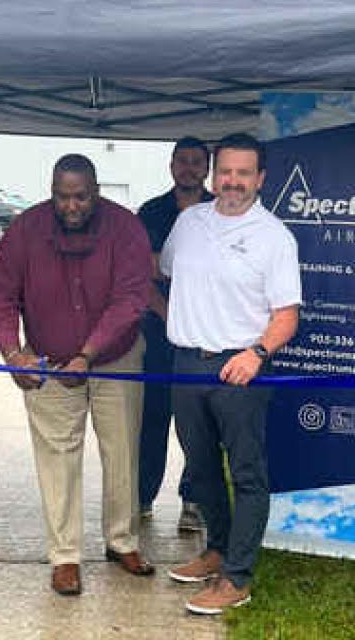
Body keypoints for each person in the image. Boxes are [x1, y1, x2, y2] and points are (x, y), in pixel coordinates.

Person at [0, 154, 154, 597]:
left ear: (96, 191)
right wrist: (13, 351)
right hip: (50, 362)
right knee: (57, 456)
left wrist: (88, 353)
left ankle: (122, 541)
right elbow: (1, 295)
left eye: (81, 197)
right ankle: (64, 556)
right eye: (62, 197)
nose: (71, 206)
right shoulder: (25, 229)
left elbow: (131, 298)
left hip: (115, 357)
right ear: (51, 191)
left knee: (122, 450)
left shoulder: (126, 227)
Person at [160, 133, 301, 615]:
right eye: (225, 172)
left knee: (246, 473)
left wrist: (256, 353)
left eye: (243, 173)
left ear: (260, 179)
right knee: (200, 469)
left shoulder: (274, 236)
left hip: (240, 369)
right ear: (213, 174)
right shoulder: (188, 222)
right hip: (186, 365)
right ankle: (217, 549)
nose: (233, 181)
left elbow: (287, 316)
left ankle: (237, 577)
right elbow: (166, 272)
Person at [136, 136, 212, 531]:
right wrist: (171, 315)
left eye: (197, 162)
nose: (189, 168)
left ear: (207, 168)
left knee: (198, 425)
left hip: (205, 337)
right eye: (183, 161)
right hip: (156, 330)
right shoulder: (151, 211)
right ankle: (141, 499)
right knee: (151, 419)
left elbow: (217, 272)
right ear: (171, 166)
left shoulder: (221, 210)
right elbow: (141, 271)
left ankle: (193, 501)